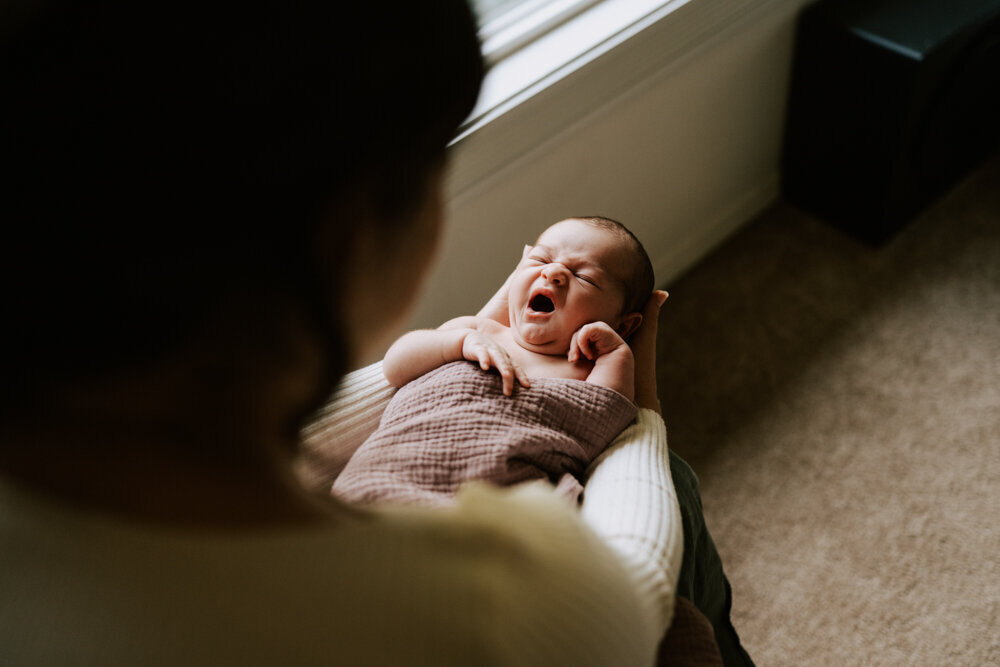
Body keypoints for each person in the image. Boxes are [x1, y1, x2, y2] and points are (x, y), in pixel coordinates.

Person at [1, 2, 689, 665]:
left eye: (579, 272)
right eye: (436, 168)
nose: (546, 272)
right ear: (352, 232)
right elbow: (633, 598)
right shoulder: (503, 606)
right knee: (683, 538)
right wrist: (643, 418)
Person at [333, 216, 657, 507]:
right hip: (392, 467)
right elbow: (395, 366)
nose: (553, 272)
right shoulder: (477, 330)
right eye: (541, 259)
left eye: (584, 277)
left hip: (494, 494)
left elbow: (603, 417)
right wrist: (458, 342)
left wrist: (617, 354)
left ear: (623, 326)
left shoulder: (588, 370)